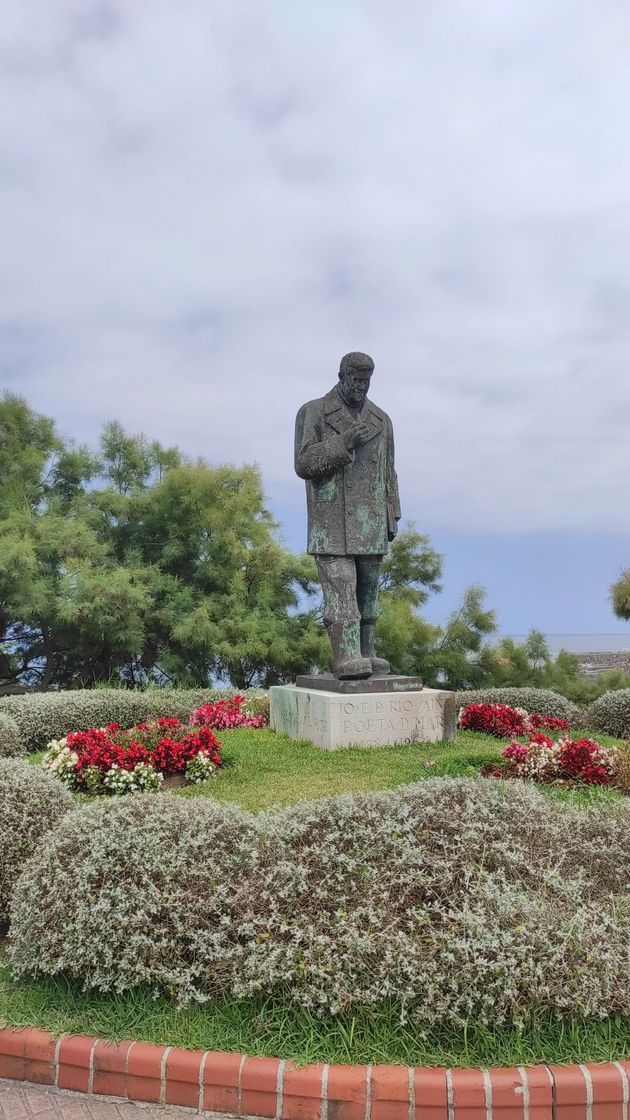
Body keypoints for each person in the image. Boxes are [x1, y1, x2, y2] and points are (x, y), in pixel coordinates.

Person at [294, 351, 401, 679]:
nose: (362, 387)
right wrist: (342, 443)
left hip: (370, 521)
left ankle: (367, 652)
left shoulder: (381, 420)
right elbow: (304, 464)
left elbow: (389, 471)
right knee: (342, 589)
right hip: (332, 522)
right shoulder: (313, 412)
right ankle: (346, 656)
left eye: (367, 381)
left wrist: (392, 514)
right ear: (341, 376)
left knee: (368, 593)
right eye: (356, 380)